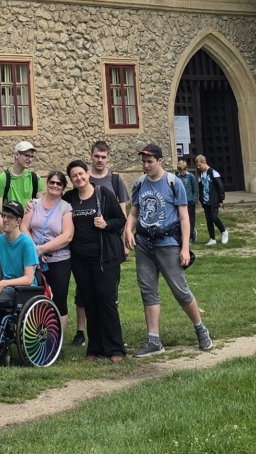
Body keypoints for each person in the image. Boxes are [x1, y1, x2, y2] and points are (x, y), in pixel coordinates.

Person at [127, 142, 212, 355]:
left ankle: (200, 328)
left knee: (180, 290)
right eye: (143, 162)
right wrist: (128, 230)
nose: (145, 165)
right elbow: (134, 212)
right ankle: (154, 340)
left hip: (167, 244)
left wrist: (185, 248)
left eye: (149, 161)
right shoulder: (139, 184)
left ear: (160, 161)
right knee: (148, 291)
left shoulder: (174, 183)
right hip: (144, 244)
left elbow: (184, 217)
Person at [65, 159, 127, 361]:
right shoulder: (69, 198)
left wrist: (106, 224)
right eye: (74, 176)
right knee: (89, 302)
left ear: (87, 174)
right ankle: (95, 348)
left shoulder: (103, 193)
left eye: (81, 174)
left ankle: (115, 348)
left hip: (104, 258)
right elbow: (51, 206)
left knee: (106, 301)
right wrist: (32, 205)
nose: (78, 178)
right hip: (80, 260)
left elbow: (121, 220)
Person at [0, 202, 42, 348]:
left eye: (9, 217)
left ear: (18, 221)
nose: (5, 220)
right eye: (4, 216)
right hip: (5, 287)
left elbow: (28, 279)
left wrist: (2, 283)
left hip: (22, 290)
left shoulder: (27, 243)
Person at [27, 169, 75, 322]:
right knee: (33, 300)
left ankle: (57, 336)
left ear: (63, 187)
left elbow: (67, 236)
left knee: (59, 302)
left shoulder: (66, 208)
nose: (55, 185)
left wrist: (42, 249)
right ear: (47, 183)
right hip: (34, 261)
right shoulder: (33, 204)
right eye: (52, 182)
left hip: (58, 260)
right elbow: (23, 228)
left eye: (59, 184)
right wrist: (34, 250)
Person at [193, 153, 228, 244]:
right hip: (205, 200)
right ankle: (212, 238)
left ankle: (224, 231)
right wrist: (201, 199)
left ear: (204, 162)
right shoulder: (200, 174)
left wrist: (221, 199)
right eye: (197, 166)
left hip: (214, 199)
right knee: (209, 220)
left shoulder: (213, 173)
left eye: (200, 165)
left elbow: (219, 186)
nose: (199, 167)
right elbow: (200, 187)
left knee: (214, 217)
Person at [0, 140, 40, 211]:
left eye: (32, 156)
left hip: (29, 218)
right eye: (27, 155)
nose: (30, 159)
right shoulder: (2, 178)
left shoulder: (35, 178)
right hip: (9, 218)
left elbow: (40, 208)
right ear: (17, 155)